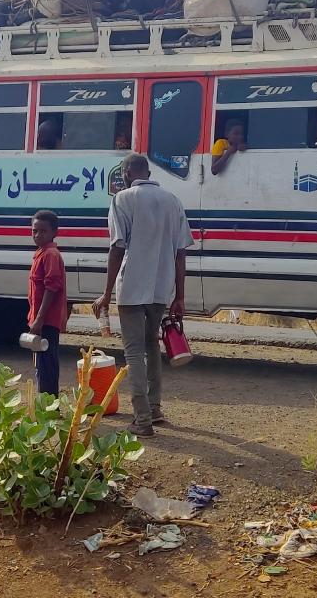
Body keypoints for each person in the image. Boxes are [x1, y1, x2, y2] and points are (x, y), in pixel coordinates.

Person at [93, 154, 193, 437]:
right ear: (148, 172)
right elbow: (181, 253)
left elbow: (117, 248)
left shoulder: (122, 199)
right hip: (161, 288)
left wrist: (106, 293)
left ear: (125, 173)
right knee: (151, 346)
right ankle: (155, 408)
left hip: (132, 287)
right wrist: (180, 297)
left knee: (134, 351)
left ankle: (142, 419)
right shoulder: (172, 200)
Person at [27, 209, 68, 397]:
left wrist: (39, 320)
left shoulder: (51, 254)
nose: (37, 235)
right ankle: (47, 405)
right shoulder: (41, 253)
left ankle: (50, 407)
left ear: (54, 232)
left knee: (47, 365)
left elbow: (52, 288)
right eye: (34, 231)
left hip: (47, 321)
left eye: (42, 231)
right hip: (40, 319)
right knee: (41, 363)